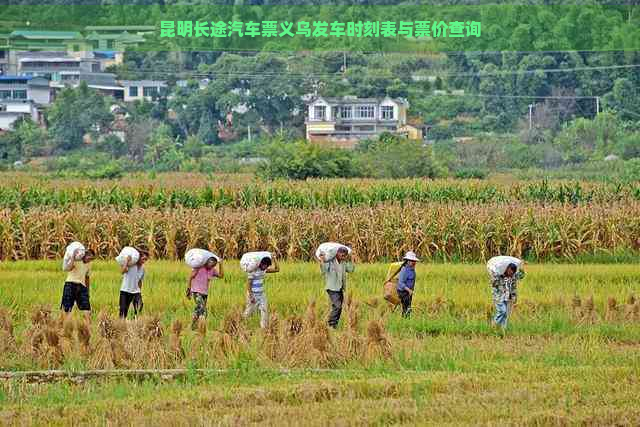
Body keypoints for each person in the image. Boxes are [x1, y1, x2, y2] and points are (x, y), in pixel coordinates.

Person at [319, 247, 355, 329]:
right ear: (337, 253)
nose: (343, 257)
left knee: (339, 307)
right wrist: (322, 260)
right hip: (331, 288)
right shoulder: (330, 261)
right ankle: (330, 324)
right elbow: (323, 270)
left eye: (345, 256)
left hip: (340, 288)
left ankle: (334, 325)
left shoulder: (344, 263)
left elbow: (351, 270)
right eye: (342, 255)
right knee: (337, 306)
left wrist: (352, 259)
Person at [187, 256, 224, 330]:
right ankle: (202, 328)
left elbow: (221, 276)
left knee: (197, 310)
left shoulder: (212, 270)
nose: (212, 266)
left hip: (205, 293)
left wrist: (221, 264)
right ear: (207, 262)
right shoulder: (199, 267)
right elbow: (190, 277)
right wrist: (188, 290)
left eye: (214, 265)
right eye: (211, 264)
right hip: (196, 292)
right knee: (203, 310)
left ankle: (192, 327)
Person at [243, 256, 279, 329]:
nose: (266, 267)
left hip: (261, 294)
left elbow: (277, 269)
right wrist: (251, 296)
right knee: (249, 311)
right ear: (261, 264)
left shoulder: (264, 270)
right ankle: (240, 323)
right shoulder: (252, 270)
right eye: (265, 265)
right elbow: (248, 285)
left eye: (267, 266)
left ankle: (264, 328)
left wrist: (274, 259)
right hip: (253, 294)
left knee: (264, 310)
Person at [61, 248, 96, 321]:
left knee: (87, 310)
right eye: (90, 258)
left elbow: (87, 277)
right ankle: (63, 327)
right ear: (86, 254)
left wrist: (87, 291)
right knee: (66, 309)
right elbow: (67, 268)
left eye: (92, 259)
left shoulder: (89, 264)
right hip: (70, 284)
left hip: (82, 287)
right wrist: (73, 257)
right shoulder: (76, 259)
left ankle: (87, 328)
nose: (90, 260)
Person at [490, 262, 525, 330]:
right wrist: (495, 275)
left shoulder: (513, 277)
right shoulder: (499, 275)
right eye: (510, 271)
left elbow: (521, 276)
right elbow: (493, 284)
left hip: (508, 297)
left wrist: (521, 267)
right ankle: (494, 325)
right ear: (507, 269)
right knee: (502, 311)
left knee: (506, 314)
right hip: (498, 297)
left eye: (512, 272)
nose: (510, 273)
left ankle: (503, 329)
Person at [119, 250, 148, 319]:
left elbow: (140, 281)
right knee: (123, 310)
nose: (144, 261)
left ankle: (135, 322)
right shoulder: (131, 265)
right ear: (138, 258)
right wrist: (126, 261)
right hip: (125, 290)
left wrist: (140, 291)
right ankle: (121, 325)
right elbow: (122, 271)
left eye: (146, 260)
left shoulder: (143, 269)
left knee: (139, 306)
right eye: (143, 259)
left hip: (136, 292)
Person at [396, 251, 420, 318]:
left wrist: (411, 290)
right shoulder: (404, 270)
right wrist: (408, 290)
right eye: (412, 261)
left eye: (414, 261)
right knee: (406, 308)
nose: (414, 263)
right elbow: (400, 283)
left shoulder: (412, 270)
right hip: (403, 292)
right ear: (408, 261)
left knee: (408, 307)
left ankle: (406, 320)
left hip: (409, 292)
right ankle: (405, 320)